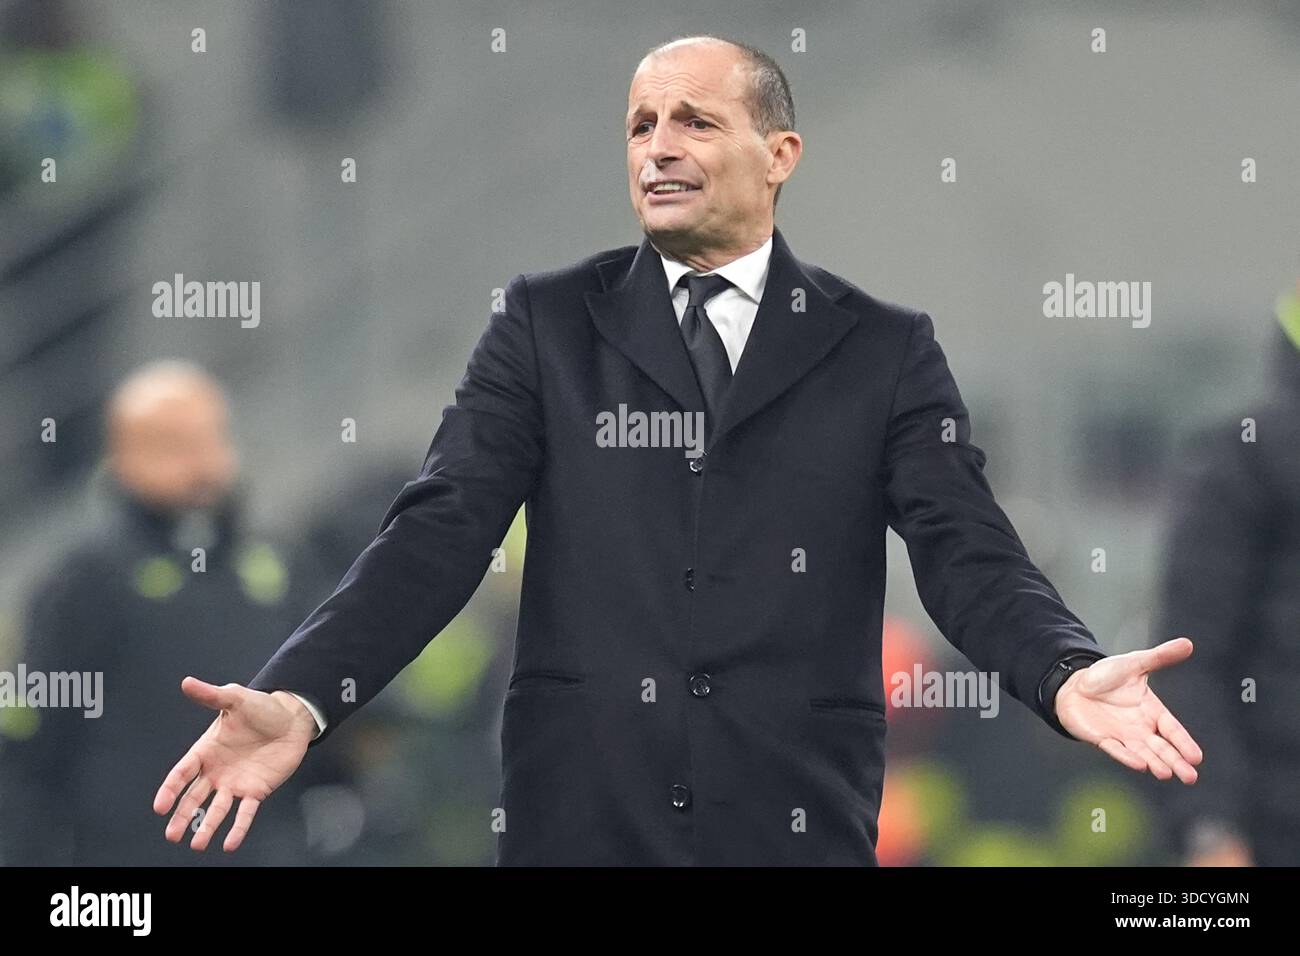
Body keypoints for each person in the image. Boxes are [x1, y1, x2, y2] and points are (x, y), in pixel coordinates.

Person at [153, 35, 1202, 866]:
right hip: (582, 820)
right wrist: (303, 693)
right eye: (640, 125)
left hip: (793, 818)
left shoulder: (879, 349)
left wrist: (1060, 667)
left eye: (694, 120)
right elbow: (437, 532)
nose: (657, 146)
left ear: (779, 155)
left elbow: (965, 549)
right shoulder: (542, 327)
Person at [2, 360, 332, 865]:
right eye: (171, 446)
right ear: (122, 456)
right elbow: (34, 744)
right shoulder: (85, 578)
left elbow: (325, 704)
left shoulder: (278, 564)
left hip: (268, 852)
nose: (199, 463)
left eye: (208, 440)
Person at [1151, 282, 1300, 867]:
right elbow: (1193, 659)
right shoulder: (1249, 466)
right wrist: (1213, 826)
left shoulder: (1238, 460)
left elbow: (1188, 656)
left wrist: (1209, 825)